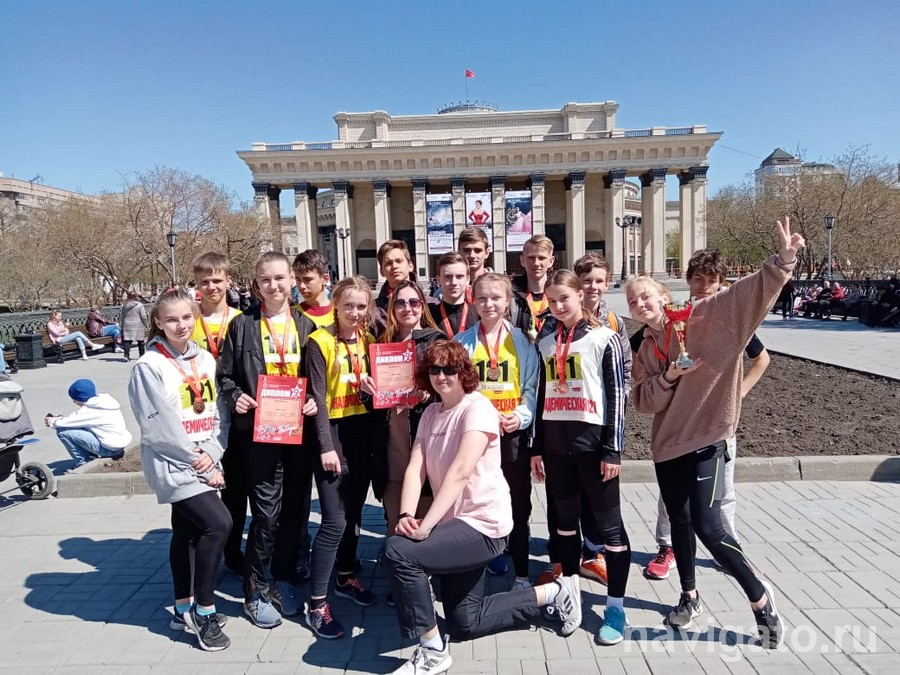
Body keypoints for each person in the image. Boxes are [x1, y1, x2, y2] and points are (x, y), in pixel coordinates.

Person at [627, 218, 802, 649]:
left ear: (664, 295)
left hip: (708, 437)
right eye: (632, 300)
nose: (640, 303)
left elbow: (751, 293)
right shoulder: (644, 346)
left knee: (711, 526)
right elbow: (643, 401)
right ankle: (689, 596)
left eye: (646, 295)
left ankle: (760, 598)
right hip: (668, 445)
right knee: (680, 523)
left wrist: (783, 261)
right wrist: (668, 377)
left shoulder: (711, 314)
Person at [384, 341, 580, 675]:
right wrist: (405, 515)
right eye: (434, 370)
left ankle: (432, 651)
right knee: (465, 621)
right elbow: (415, 468)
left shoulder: (478, 408)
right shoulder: (431, 413)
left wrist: (425, 527)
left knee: (398, 552)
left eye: (449, 369)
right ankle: (555, 592)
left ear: (463, 372)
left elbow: (460, 472)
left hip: (483, 525)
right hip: (453, 525)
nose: (441, 376)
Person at [642, 250, 770, 580]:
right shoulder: (674, 317)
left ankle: (729, 549)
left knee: (722, 493)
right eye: (697, 278)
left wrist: (738, 393)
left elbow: (762, 359)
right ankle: (667, 546)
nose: (703, 286)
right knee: (673, 499)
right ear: (687, 280)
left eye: (711, 280)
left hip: (715, 425)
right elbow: (643, 346)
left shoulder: (728, 319)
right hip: (678, 424)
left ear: (721, 283)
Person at [217, 252, 318, 629]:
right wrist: (235, 396)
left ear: (292, 280)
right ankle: (255, 589)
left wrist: (314, 399)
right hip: (259, 434)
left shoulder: (306, 325)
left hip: (298, 433)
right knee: (266, 514)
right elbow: (225, 375)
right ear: (256, 284)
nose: (273, 286)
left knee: (295, 510)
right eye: (265, 280)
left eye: (279, 278)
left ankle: (284, 578)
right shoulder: (242, 325)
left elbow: (317, 376)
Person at [127, 289, 232, 652]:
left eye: (187, 317)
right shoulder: (148, 366)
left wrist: (213, 452)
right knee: (219, 524)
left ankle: (182, 607)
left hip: (205, 455)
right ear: (158, 322)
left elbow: (218, 413)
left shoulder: (204, 358)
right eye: (171, 319)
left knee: (187, 532)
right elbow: (158, 427)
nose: (180, 325)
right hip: (174, 463)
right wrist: (197, 460)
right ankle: (204, 610)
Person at [531, 269, 631, 645]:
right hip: (557, 448)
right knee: (564, 527)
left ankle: (616, 607)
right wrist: (537, 448)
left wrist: (613, 450)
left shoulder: (605, 338)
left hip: (594, 448)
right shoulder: (545, 343)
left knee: (610, 530)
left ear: (579, 296)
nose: (558, 306)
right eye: (552, 301)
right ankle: (570, 595)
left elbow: (617, 397)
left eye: (564, 298)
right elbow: (540, 398)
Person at [304, 276, 379, 638]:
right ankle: (316, 604)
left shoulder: (368, 340)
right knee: (333, 520)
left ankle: (345, 577)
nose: (354, 312)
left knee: (353, 514)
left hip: (360, 432)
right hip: (331, 433)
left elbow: (373, 393)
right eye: (348, 305)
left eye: (361, 306)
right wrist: (325, 446)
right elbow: (317, 398)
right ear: (335, 304)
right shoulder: (319, 341)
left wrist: (369, 391)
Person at [454, 273, 538, 587]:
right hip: (476, 437)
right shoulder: (462, 342)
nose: (489, 304)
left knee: (518, 503)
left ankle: (521, 574)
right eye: (482, 298)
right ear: (473, 300)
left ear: (507, 302)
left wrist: (521, 416)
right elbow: (456, 391)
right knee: (477, 499)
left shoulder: (522, 341)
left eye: (496, 298)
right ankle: (484, 560)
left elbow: (530, 387)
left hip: (511, 434)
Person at [375, 280, 446, 540]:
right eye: (401, 303)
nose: (408, 308)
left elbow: (451, 387)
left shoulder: (436, 341)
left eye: (414, 302)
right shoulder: (382, 343)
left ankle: (421, 558)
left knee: (423, 519)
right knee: (395, 518)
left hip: (424, 434)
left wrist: (429, 393)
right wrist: (368, 388)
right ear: (392, 308)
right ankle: (396, 555)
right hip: (392, 436)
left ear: (422, 306)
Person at [190, 253, 242, 573]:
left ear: (228, 281)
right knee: (202, 491)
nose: (211, 287)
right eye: (204, 281)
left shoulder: (241, 319)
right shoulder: (189, 322)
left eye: (217, 280)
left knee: (235, 490)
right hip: (201, 415)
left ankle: (233, 553)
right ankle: (202, 557)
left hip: (236, 415)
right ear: (197, 284)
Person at [45, 379, 132, 468]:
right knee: (76, 426)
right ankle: (91, 455)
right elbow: (76, 419)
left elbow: (61, 423)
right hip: (118, 445)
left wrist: (52, 421)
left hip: (110, 450)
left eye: (74, 399)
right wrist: (60, 417)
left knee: (62, 431)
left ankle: (83, 463)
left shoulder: (89, 410)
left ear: (80, 398)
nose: (73, 402)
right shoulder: (102, 403)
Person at [510, 235, 555, 339]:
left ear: (551, 261)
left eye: (541, 258)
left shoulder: (560, 293)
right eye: (531, 258)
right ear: (522, 260)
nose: (536, 263)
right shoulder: (510, 293)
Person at [373, 240, 418, 338]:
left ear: (410, 266)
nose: (394, 266)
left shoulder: (430, 304)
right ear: (382, 271)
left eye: (399, 261)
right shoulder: (373, 310)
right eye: (388, 263)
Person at [427, 252, 477, 338]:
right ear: (438, 280)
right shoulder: (429, 316)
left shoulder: (478, 314)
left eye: (459, 276)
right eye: (448, 276)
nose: (454, 282)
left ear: (467, 280)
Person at [458, 226, 492, 302]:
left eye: (478, 250)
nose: (472, 255)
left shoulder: (501, 287)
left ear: (486, 253)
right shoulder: (446, 292)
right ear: (459, 252)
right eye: (467, 250)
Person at [120, 291, 150, 361]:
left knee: (127, 340)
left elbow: (121, 316)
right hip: (138, 324)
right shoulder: (139, 305)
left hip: (127, 324)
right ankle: (141, 355)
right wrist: (146, 324)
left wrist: (121, 325)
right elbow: (143, 316)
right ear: (136, 297)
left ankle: (126, 355)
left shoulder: (124, 305)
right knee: (140, 341)